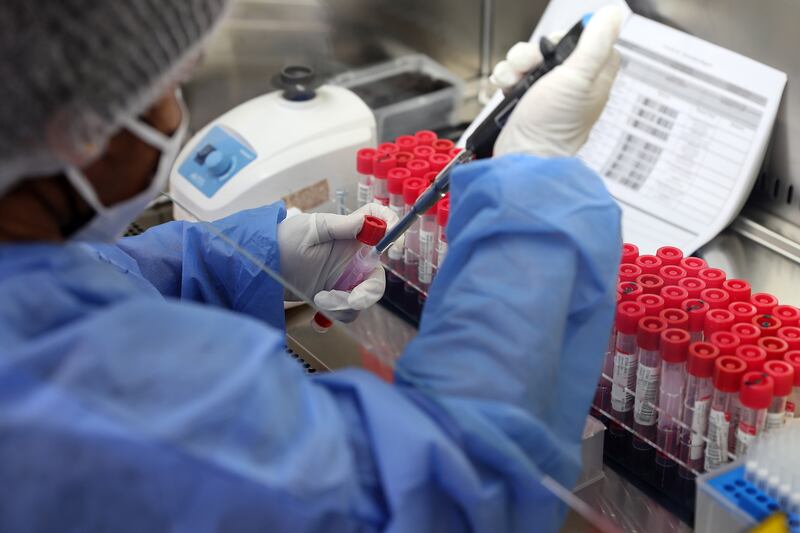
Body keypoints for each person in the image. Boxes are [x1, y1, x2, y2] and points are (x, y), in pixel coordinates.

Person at [0, 1, 623, 531]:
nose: (173, 116)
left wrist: (235, 258)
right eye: (166, 88)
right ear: (77, 130)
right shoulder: (89, 399)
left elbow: (73, 287)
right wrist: (533, 178)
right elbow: (435, 489)